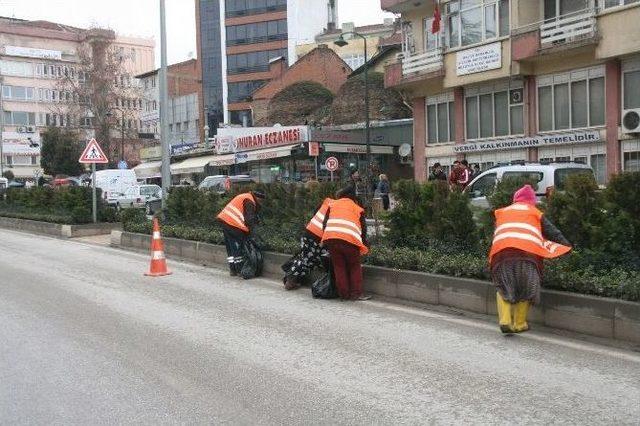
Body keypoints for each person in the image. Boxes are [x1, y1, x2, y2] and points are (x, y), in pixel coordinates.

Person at [490, 185, 572, 334]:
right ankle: (519, 323)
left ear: (515, 200)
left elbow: (498, 232)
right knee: (527, 287)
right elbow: (552, 231)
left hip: (502, 253)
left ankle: (505, 320)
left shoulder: (503, 212)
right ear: (532, 202)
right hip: (527, 254)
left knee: (504, 286)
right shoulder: (535, 212)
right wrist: (566, 246)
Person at [321, 187, 370, 301]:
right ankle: (356, 294)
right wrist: (363, 243)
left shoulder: (332, 205)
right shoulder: (357, 208)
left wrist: (327, 239)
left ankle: (343, 295)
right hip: (349, 239)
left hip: (331, 238)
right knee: (354, 266)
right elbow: (363, 229)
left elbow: (325, 223)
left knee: (339, 267)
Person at [282, 197, 334, 290]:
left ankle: (291, 279)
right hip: (319, 236)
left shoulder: (328, 202)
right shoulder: (340, 207)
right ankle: (291, 280)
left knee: (306, 258)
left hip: (309, 232)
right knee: (317, 258)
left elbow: (315, 213)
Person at [217, 191, 265, 276]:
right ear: (258, 199)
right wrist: (253, 235)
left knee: (230, 248)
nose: (261, 203)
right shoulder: (249, 201)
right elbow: (250, 220)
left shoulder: (245, 196)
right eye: (261, 201)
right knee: (237, 247)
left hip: (225, 221)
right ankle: (240, 270)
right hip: (233, 224)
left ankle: (233, 270)